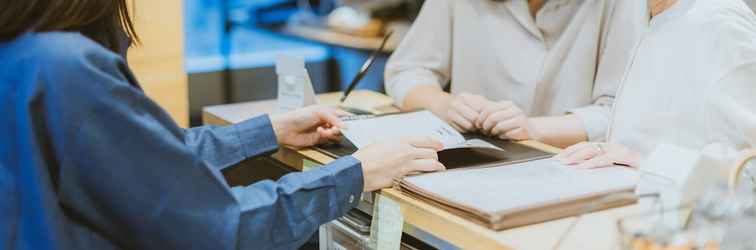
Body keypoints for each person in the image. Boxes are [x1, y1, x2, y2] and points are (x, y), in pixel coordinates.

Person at [0, 0, 446, 249]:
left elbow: (138, 164)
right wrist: (357, 172)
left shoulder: (25, 54)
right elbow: (219, 230)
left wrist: (266, 131)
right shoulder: (65, 68)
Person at [384, 0, 647, 147]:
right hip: (470, 162)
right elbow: (406, 70)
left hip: (568, 170)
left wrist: (534, 129)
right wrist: (445, 104)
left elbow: (621, 112)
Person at [555, 0, 756, 169]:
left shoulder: (720, 22)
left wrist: (646, 161)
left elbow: (748, 168)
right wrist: (613, 153)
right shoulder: (656, 18)